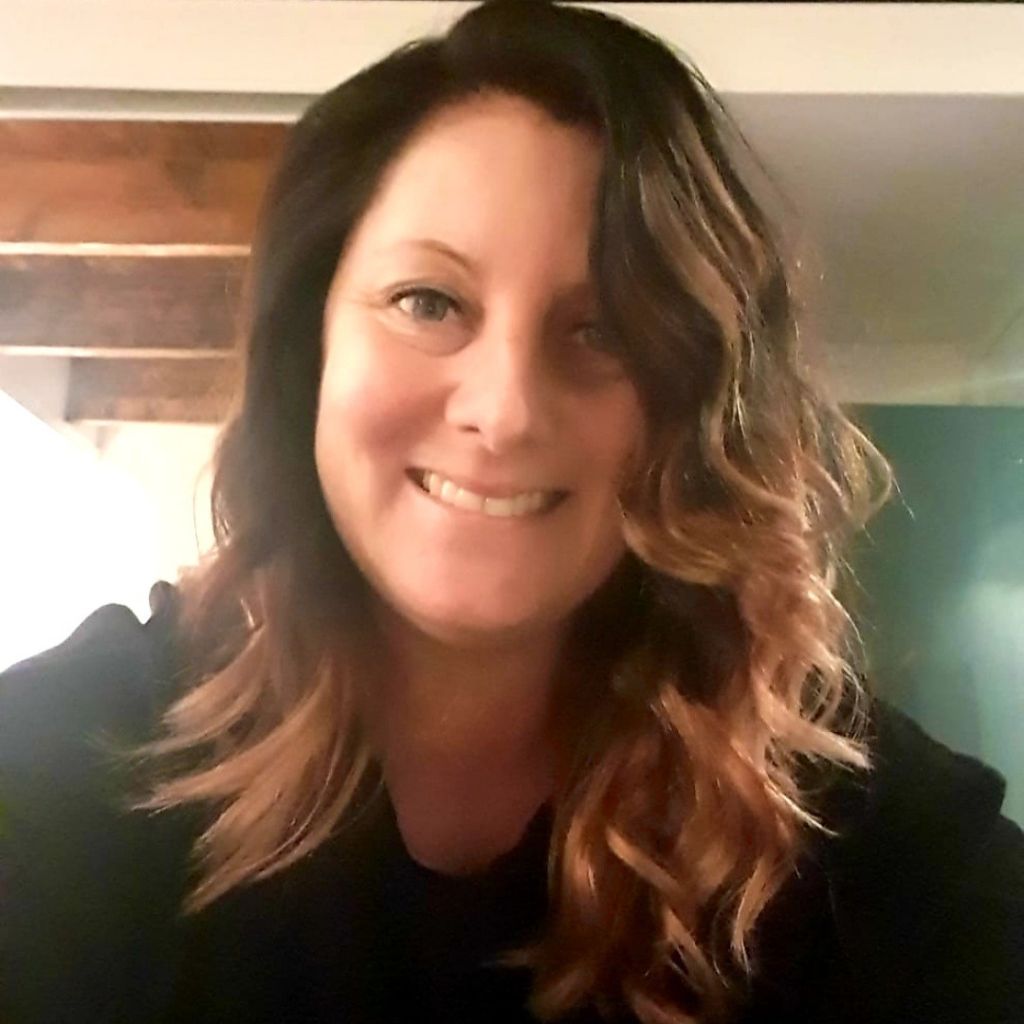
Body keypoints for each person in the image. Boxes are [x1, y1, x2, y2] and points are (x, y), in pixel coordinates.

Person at [1, 2, 1021, 1022]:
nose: (506, 411)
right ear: (310, 348)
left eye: (603, 329)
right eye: (428, 302)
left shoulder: (856, 834)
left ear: (689, 405)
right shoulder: (67, 764)